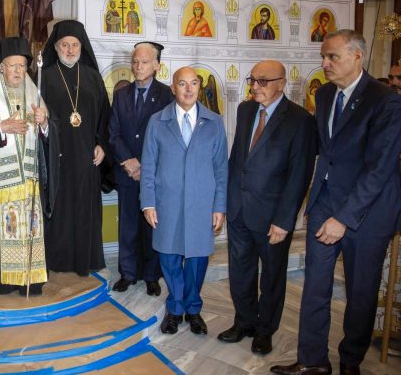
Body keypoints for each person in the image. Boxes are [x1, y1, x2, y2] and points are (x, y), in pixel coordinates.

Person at [271, 30, 401, 375]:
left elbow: (379, 169)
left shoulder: (385, 100)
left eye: (333, 57)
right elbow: (323, 151)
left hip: (367, 210)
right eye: (323, 57)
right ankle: (312, 360)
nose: (324, 64)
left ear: (357, 57)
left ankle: (350, 362)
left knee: (360, 291)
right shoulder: (326, 94)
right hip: (325, 201)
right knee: (315, 285)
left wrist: (344, 218)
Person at [219, 60, 317, 355]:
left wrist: (285, 220)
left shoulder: (300, 120)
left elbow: (299, 174)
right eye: (252, 80)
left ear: (281, 83)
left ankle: (265, 330)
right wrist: (224, 202)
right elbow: (237, 159)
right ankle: (244, 321)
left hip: (273, 216)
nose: (254, 87)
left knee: (272, 276)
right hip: (238, 210)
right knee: (241, 272)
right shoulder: (246, 110)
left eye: (262, 81)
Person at [0, 37, 59, 295]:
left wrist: (45, 123)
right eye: (12, 66)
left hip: (30, 180)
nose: (18, 71)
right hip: (1, 186)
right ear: (1, 68)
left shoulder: (35, 95)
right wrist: (0, 128)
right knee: (1, 232)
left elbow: (51, 138)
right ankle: (1, 281)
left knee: (32, 229)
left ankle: (31, 278)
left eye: (22, 66)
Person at [140, 66, 228, 336]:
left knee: (198, 260)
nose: (189, 89)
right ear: (173, 88)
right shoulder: (157, 121)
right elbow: (149, 165)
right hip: (167, 204)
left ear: (199, 87)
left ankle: (193, 308)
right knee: (168, 257)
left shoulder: (214, 122)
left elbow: (221, 168)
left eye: (193, 84)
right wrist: (148, 203)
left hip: (202, 205)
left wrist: (219, 206)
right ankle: (175, 309)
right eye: (182, 84)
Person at [41, 20, 110, 276]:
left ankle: (86, 260)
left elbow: (106, 115)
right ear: (56, 47)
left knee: (84, 207)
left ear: (82, 46)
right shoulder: (45, 77)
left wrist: (102, 143)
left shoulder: (92, 76)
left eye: (74, 45)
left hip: (85, 156)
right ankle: (57, 260)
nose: (70, 50)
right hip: (55, 157)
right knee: (59, 209)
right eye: (64, 45)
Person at [109, 42, 172, 294]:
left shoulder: (167, 95)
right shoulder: (121, 94)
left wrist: (145, 165)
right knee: (127, 224)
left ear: (157, 65)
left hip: (153, 173)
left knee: (151, 224)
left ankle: (151, 275)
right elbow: (113, 134)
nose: (138, 66)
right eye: (135, 61)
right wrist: (128, 161)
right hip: (126, 172)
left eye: (144, 62)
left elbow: (168, 135)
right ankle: (128, 272)